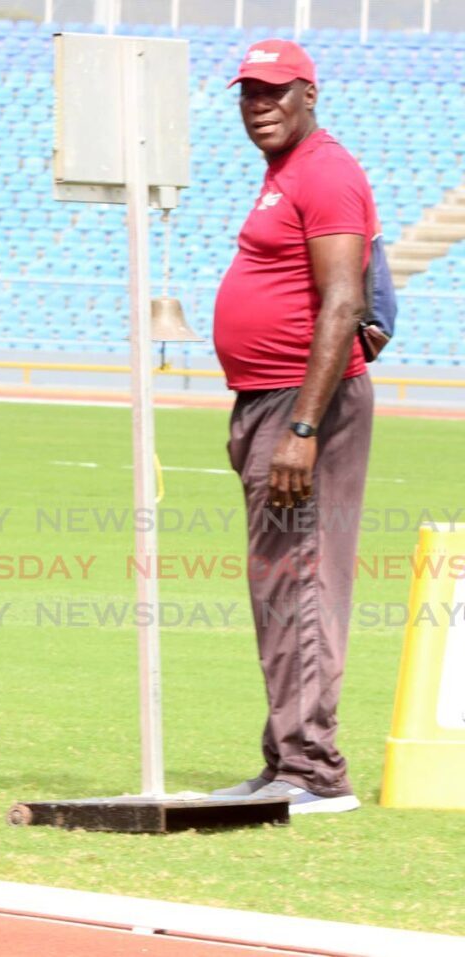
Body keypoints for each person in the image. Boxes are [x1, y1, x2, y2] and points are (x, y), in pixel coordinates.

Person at [211, 40, 376, 813]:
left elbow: (345, 302)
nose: (260, 105)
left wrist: (302, 429)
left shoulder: (327, 171)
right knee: (279, 585)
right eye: (249, 92)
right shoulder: (284, 173)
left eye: (275, 92)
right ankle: (287, 757)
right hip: (267, 398)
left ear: (311, 93)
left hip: (302, 403)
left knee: (303, 582)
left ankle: (314, 771)